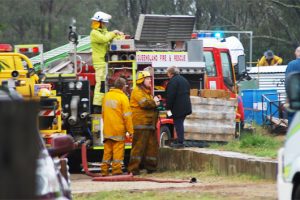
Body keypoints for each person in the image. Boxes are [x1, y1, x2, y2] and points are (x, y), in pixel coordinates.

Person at [90, 11, 123, 113]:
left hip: (105, 63)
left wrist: (119, 35)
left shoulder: (104, 32)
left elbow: (112, 38)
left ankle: (104, 104)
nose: (104, 25)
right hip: (100, 63)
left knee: (107, 83)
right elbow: (104, 39)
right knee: (100, 84)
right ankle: (97, 106)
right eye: (103, 23)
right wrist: (114, 33)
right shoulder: (94, 33)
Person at [127, 71, 160, 175]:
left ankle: (151, 167)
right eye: (147, 79)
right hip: (141, 124)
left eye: (150, 78)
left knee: (151, 147)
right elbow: (144, 103)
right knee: (138, 148)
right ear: (141, 80)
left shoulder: (146, 92)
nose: (150, 80)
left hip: (149, 124)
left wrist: (155, 101)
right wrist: (154, 102)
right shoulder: (137, 91)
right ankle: (133, 169)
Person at [101, 77, 133, 176]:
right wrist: (131, 131)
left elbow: (103, 113)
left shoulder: (106, 96)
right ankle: (116, 171)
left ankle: (104, 171)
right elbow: (127, 117)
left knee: (107, 153)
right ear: (123, 87)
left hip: (107, 129)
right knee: (118, 153)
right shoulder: (123, 98)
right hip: (118, 130)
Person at [166, 66, 192, 148]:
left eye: (168, 73)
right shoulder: (184, 80)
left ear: (171, 73)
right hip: (186, 106)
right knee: (179, 123)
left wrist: (168, 108)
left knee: (178, 124)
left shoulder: (173, 82)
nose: (167, 75)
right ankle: (179, 140)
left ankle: (180, 142)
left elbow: (170, 96)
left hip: (178, 108)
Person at [285, 46, 300, 125]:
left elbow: (288, 81)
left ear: (296, 53)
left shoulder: (291, 64)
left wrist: (287, 98)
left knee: (293, 118)